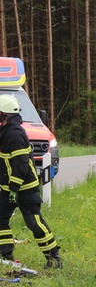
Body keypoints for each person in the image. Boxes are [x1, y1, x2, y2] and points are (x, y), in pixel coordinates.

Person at [0, 94, 62, 269]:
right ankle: (5, 256)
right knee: (1, 218)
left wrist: (13, 189)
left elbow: (20, 166)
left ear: (4, 115)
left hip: (25, 188)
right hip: (8, 188)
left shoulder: (15, 134)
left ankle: (54, 258)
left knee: (34, 222)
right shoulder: (5, 132)